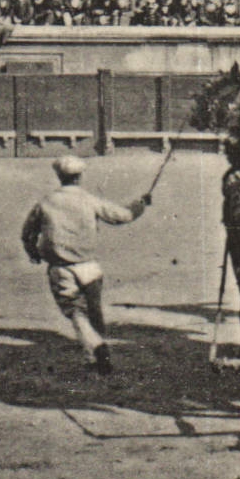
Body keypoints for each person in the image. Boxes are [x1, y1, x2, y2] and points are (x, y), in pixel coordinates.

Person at [22, 154, 151, 374]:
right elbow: (124, 216)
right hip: (90, 266)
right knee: (94, 310)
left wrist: (33, 253)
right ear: (80, 176)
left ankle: (96, 350)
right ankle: (98, 353)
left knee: (75, 312)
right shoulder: (89, 200)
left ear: (58, 176)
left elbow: (27, 234)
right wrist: (141, 204)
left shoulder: (45, 202)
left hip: (60, 268)